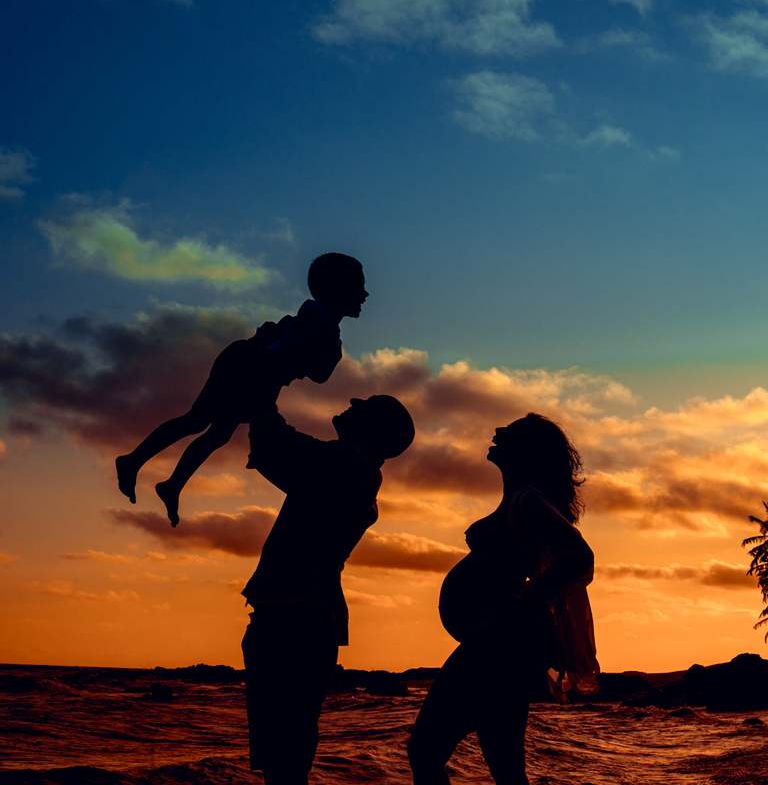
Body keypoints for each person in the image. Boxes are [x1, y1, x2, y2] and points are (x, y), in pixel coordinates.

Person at [408, 413, 599, 785]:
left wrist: (522, 598)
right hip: (504, 646)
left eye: (511, 432)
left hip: (500, 645)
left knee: (425, 752)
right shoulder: (521, 498)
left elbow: (580, 558)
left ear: (527, 450)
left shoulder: (528, 500)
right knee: (505, 767)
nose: (498, 431)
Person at [115, 252, 369, 526]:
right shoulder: (318, 322)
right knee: (198, 421)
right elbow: (281, 355)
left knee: (216, 432)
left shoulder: (321, 323)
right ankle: (135, 463)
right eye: (358, 287)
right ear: (337, 290)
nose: (365, 294)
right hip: (248, 365)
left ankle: (169, 483)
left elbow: (313, 369)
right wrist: (264, 398)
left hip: (253, 368)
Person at [241, 394, 415, 785]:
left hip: (296, 618)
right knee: (284, 756)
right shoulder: (350, 468)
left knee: (283, 758)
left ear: (374, 428)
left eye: (367, 403)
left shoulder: (349, 464)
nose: (354, 399)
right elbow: (279, 455)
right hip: (298, 615)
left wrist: (264, 401)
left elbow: (278, 448)